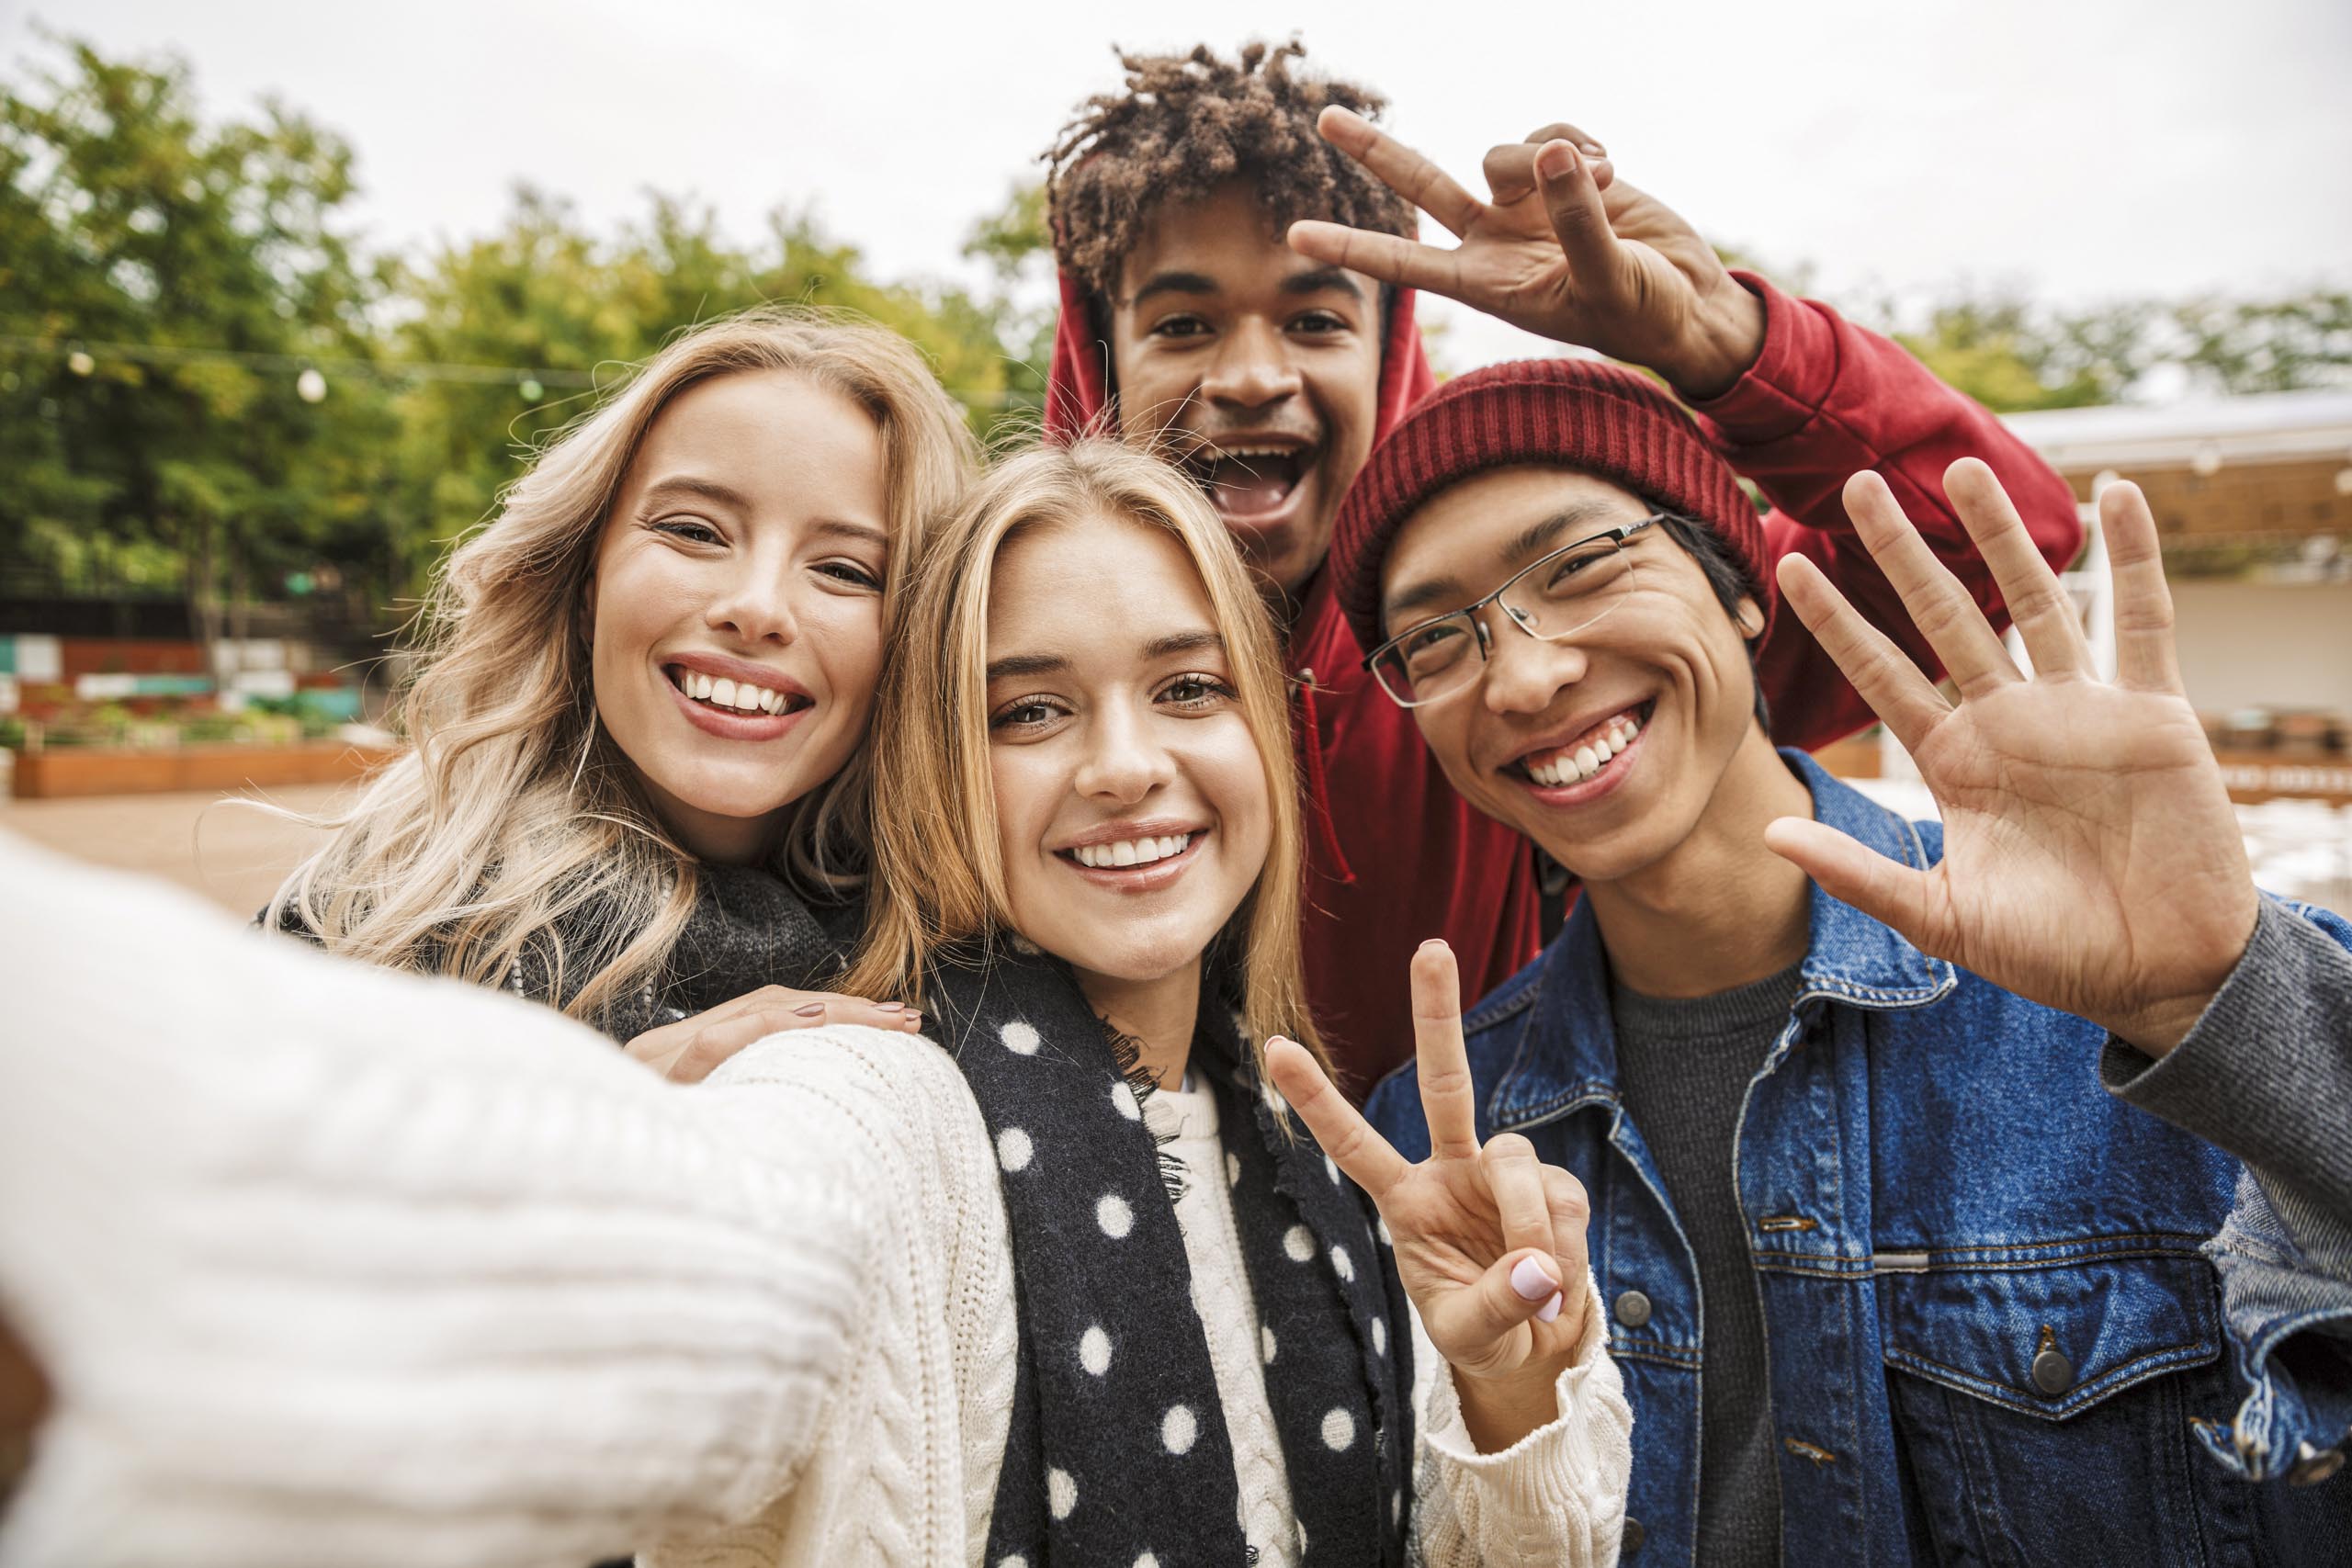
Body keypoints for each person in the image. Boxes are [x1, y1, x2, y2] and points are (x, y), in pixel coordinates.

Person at [0, 439, 1634, 1568]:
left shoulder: (1319, 1161)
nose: (1128, 761)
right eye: (1028, 709)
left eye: (1188, 685)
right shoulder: (868, 1096)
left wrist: (1501, 1389)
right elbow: (679, 1259)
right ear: (930, 768)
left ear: (1265, 736)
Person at [1329, 356, 2352, 1563]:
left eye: (1582, 565)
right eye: (1437, 638)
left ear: (1742, 591)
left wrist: (2230, 1014)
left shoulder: (2137, 990)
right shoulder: (1436, 1148)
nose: (1526, 673)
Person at [1037, 40, 2085, 1089]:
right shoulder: (981, 654)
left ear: (1392, 353)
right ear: (1099, 357)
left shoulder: (1571, 654)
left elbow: (1988, 535)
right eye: (1181, 323)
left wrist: (1720, 342)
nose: (1254, 374)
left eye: (1316, 320)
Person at [264, 307, 974, 1066]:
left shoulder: (984, 959)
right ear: (584, 581)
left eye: (845, 570)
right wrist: (613, 1113)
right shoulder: (365, 920)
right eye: (695, 531)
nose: (758, 608)